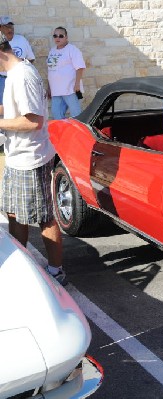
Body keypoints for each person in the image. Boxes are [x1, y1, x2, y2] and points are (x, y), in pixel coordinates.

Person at [0, 32, 66, 285]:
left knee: (44, 217)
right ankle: (23, 266)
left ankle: (55, 271)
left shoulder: (23, 76)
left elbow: (33, 121)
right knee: (15, 213)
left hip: (31, 158)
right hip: (18, 156)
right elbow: (18, 108)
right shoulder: (15, 74)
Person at [47, 26, 86, 120]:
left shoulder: (72, 49)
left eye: (61, 36)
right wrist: (49, 88)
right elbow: (50, 70)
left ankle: (78, 133)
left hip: (70, 89)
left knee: (76, 115)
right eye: (55, 36)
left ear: (66, 37)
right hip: (56, 90)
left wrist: (77, 85)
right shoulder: (52, 51)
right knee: (56, 114)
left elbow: (80, 68)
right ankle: (64, 133)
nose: (57, 38)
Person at [0, 16, 35, 106]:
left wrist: (23, 70)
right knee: (5, 107)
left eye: (11, 26)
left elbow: (31, 58)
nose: (10, 29)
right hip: (3, 80)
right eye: (7, 27)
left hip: (20, 79)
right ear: (0, 28)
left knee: (23, 105)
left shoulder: (21, 40)